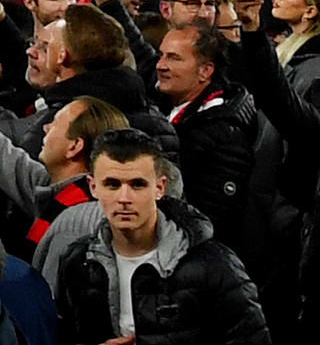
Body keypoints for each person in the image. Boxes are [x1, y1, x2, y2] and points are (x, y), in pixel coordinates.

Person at [34, 130, 271, 345]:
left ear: (160, 187)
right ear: (93, 187)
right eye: (112, 185)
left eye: (137, 185)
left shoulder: (215, 265)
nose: (124, 198)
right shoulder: (77, 263)